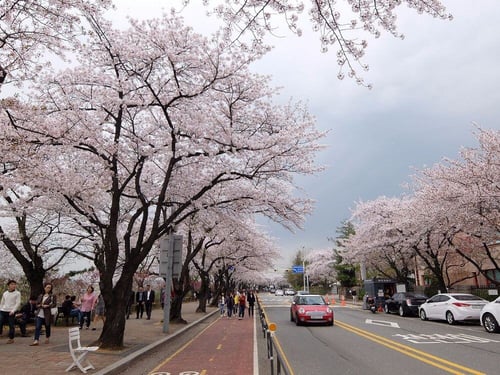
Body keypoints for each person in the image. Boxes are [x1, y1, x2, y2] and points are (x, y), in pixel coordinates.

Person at [0, 279, 22, 344]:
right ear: (8, 286)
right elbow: (2, 302)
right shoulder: (5, 293)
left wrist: (13, 311)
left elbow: (18, 303)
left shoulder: (17, 293)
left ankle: (11, 338)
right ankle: (0, 333)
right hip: (3, 310)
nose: (14, 285)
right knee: (0, 321)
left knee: (11, 325)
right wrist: (1, 308)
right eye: (12, 284)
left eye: (14, 284)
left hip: (11, 311)